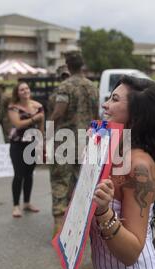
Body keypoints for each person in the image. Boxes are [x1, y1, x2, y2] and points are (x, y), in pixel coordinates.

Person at [91, 75, 155, 269]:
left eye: (114, 99)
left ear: (136, 116)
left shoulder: (140, 167)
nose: (105, 104)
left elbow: (131, 253)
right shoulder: (109, 152)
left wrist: (104, 212)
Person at [49, 51, 99, 236]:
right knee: (81, 183)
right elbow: (97, 116)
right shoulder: (92, 87)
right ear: (82, 65)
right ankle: (79, 227)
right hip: (85, 142)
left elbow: (58, 113)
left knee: (60, 181)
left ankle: (59, 227)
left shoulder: (65, 86)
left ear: (68, 66)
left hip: (65, 142)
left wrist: (46, 133)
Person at [7, 82, 44, 218]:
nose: (25, 91)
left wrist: (41, 142)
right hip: (18, 144)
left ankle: (27, 203)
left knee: (29, 174)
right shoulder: (13, 107)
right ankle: (16, 206)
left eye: (27, 88)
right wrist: (34, 118)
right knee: (18, 174)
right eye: (21, 89)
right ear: (17, 93)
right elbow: (17, 124)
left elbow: (41, 125)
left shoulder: (38, 106)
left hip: (32, 144)